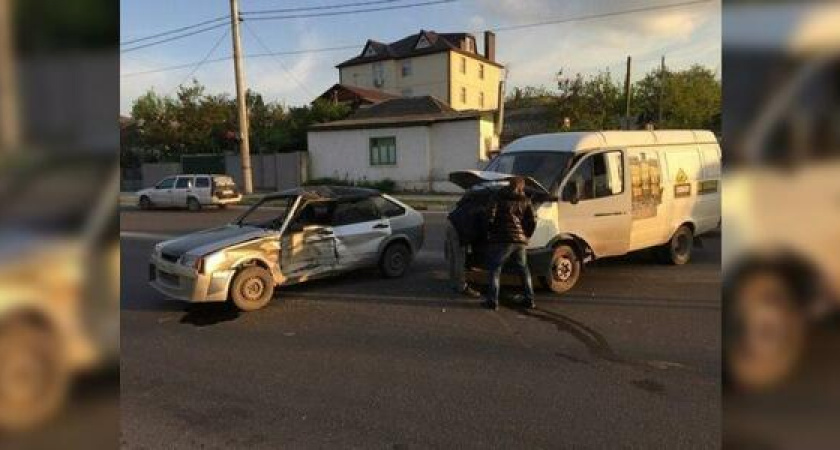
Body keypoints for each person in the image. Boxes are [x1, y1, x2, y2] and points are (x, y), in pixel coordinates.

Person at [483, 177, 536, 310]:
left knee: (495, 269)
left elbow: (490, 216)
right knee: (524, 270)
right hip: (520, 240)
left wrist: (490, 231)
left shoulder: (499, 197)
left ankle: (492, 301)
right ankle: (530, 299)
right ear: (522, 187)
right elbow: (532, 221)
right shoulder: (526, 200)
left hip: (502, 238)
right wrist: (526, 235)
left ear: (509, 185)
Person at [445, 192, 487, 298]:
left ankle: (453, 282)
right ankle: (461, 286)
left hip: (451, 223)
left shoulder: (466, 203)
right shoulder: (481, 209)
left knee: (453, 257)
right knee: (460, 258)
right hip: (459, 230)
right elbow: (483, 230)